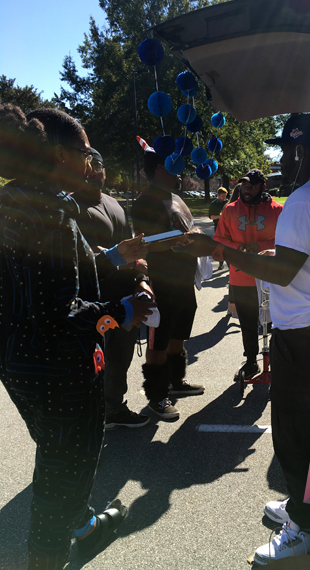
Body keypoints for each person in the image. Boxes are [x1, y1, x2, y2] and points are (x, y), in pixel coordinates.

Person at [175, 113, 310, 564]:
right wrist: (275, 254)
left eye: (285, 150)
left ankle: (306, 527)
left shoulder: (303, 200)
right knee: (307, 426)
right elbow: (303, 258)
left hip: (302, 334)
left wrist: (216, 248)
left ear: (300, 151)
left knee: (292, 432)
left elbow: (284, 271)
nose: (280, 159)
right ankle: (301, 504)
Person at [0, 104, 156, 568]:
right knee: (65, 465)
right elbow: (61, 310)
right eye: (87, 152)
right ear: (62, 155)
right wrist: (124, 310)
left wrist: (114, 256)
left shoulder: (15, 202)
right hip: (58, 366)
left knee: (56, 449)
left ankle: (84, 521)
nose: (92, 164)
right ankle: (46, 557)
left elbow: (51, 274)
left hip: (18, 363)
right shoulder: (51, 212)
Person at [28, 136, 152, 430]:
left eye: (99, 165)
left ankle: (114, 409)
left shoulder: (116, 205)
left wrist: (141, 281)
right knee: (93, 363)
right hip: (91, 304)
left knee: (119, 360)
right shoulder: (69, 208)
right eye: (89, 165)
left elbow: (132, 253)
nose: (95, 171)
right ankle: (93, 414)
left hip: (125, 301)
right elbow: (83, 262)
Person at [132, 141, 205, 421]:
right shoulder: (146, 201)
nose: (181, 170)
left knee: (179, 334)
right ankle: (156, 395)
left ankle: (176, 382)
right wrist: (181, 241)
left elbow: (185, 228)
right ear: (162, 167)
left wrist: (193, 234)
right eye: (176, 165)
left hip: (184, 282)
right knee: (158, 342)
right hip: (161, 283)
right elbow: (144, 243)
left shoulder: (176, 197)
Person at [213, 168, 283, 381]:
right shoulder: (230, 210)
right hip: (240, 277)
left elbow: (287, 242)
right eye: (244, 185)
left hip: (270, 279)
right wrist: (238, 247)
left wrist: (260, 245)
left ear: (263, 187)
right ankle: (251, 361)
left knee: (274, 323)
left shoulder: (278, 210)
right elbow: (219, 239)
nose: (246, 190)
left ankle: (275, 362)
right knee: (247, 323)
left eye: (252, 187)